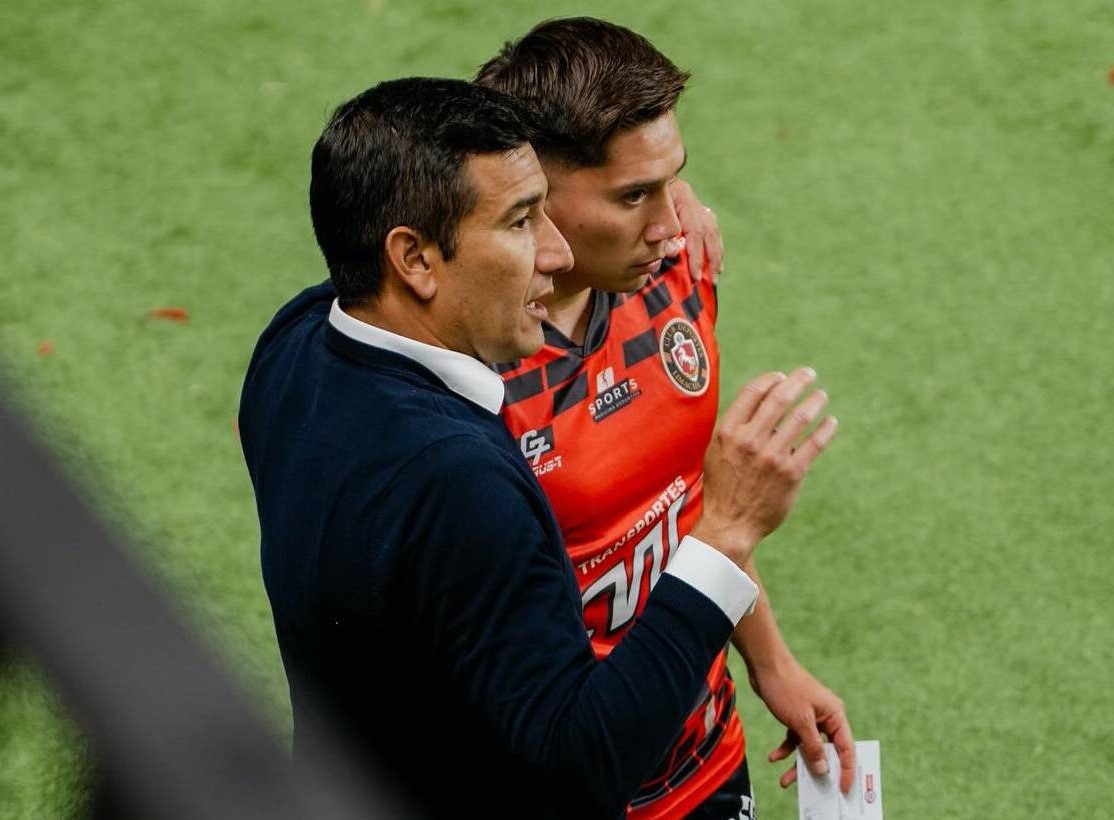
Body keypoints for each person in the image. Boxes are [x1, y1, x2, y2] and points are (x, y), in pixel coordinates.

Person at [239, 78, 838, 819]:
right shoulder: (457, 480)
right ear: (414, 258)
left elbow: (407, 204)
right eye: (522, 221)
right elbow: (582, 764)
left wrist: (646, 194)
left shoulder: (295, 343)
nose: (556, 253)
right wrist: (727, 533)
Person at [477, 18, 855, 820]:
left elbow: (690, 509)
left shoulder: (679, 273)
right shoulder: (467, 379)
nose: (670, 222)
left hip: (702, 760)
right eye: (632, 196)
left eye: (670, 182)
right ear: (532, 193)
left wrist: (773, 665)